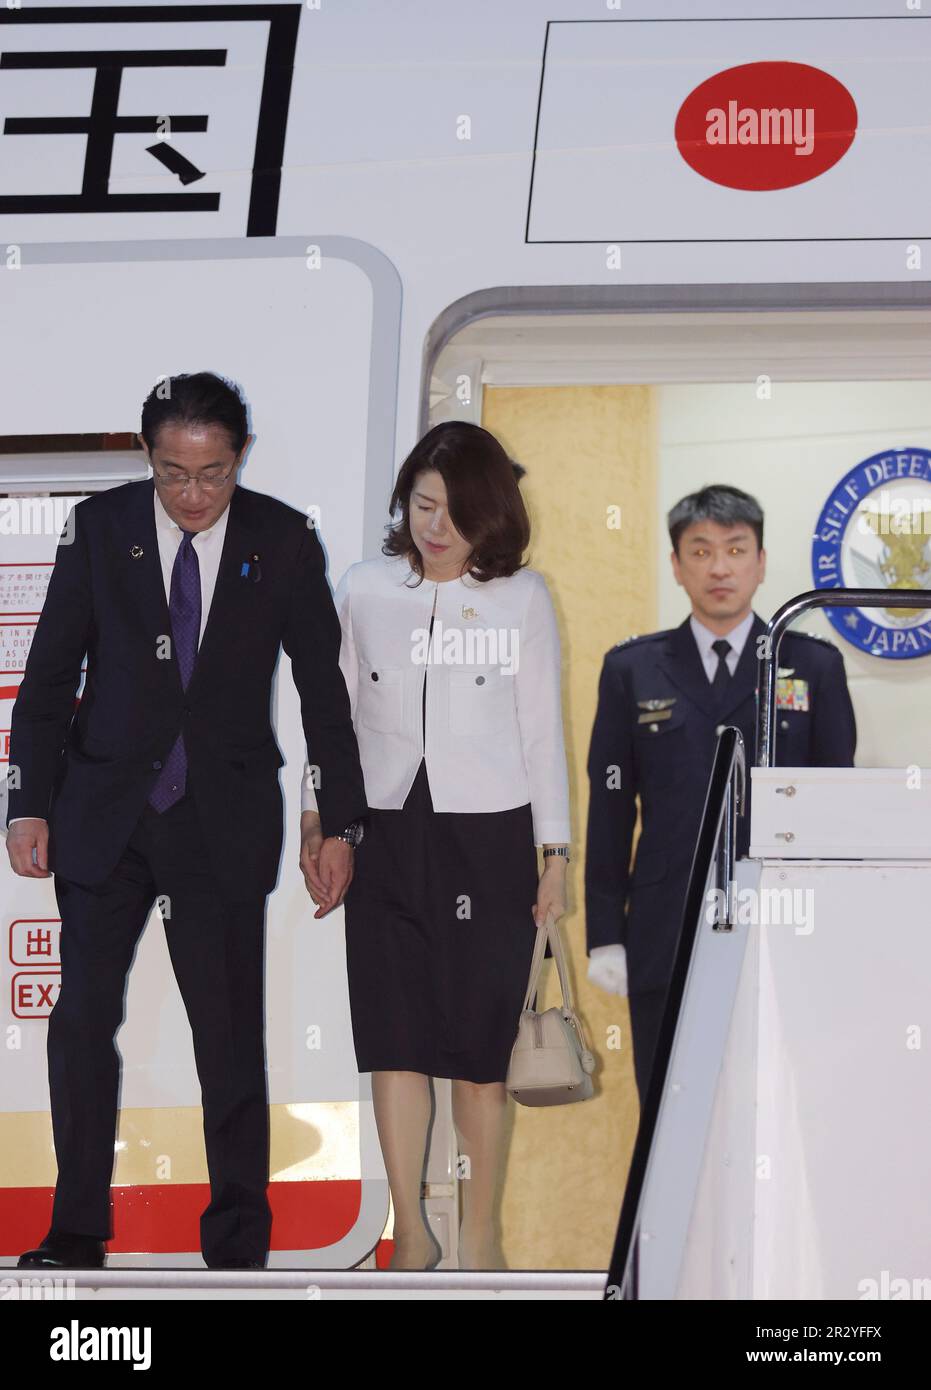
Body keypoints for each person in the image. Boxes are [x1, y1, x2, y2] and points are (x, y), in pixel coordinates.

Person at [6, 371, 367, 1270]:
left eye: (211, 474)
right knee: (83, 1019)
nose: (194, 495)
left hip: (222, 822)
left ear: (239, 457)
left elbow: (326, 695)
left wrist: (340, 823)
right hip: (105, 815)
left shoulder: (282, 540)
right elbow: (50, 678)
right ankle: (75, 1228)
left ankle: (239, 1243)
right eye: (174, 474)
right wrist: (27, 803)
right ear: (148, 458)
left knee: (229, 1036)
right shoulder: (102, 529)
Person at [299, 421, 571, 1271]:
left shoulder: (522, 598)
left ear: (490, 513)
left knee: (480, 1046)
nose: (435, 526)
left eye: (454, 510)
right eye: (423, 504)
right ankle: (411, 1230)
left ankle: (480, 1236)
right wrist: (318, 816)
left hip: (489, 832)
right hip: (384, 826)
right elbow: (329, 719)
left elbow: (541, 730)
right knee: (396, 1034)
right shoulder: (364, 587)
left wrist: (555, 852)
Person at [584, 484, 856, 1101]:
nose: (720, 567)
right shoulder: (633, 669)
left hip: (783, 923)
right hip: (664, 926)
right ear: (676, 565)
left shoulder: (811, 665)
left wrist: (834, 922)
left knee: (776, 1103)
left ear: (761, 561)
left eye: (736, 549)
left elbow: (834, 808)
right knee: (669, 1109)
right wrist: (606, 931)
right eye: (701, 551)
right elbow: (610, 807)